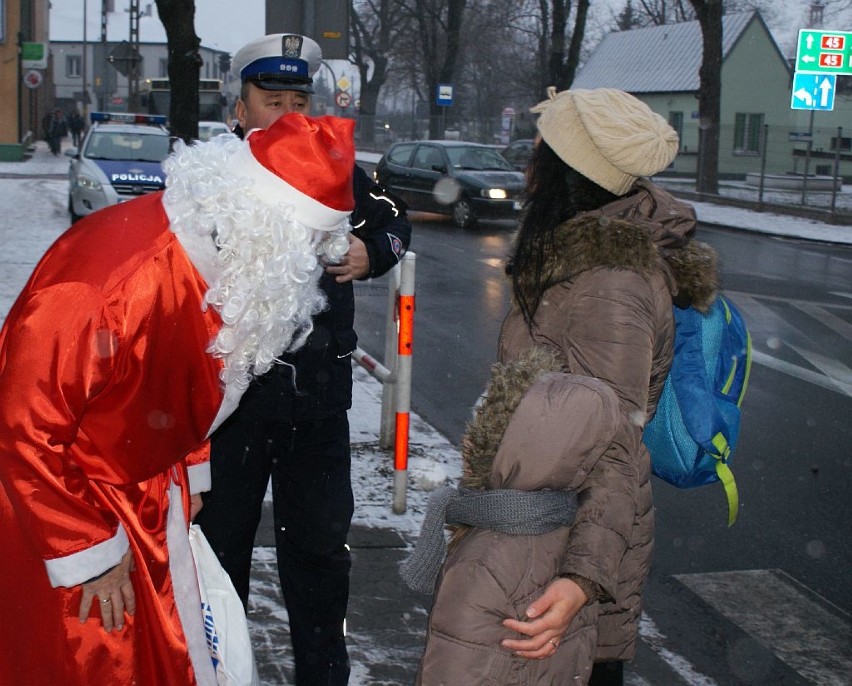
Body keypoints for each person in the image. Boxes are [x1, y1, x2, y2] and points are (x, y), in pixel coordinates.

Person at [0, 112, 357, 685]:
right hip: (63, 507)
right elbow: (20, 428)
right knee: (96, 659)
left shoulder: (214, 262)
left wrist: (188, 473)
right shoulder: (105, 287)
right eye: (307, 243)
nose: (310, 264)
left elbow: (177, 381)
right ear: (266, 226)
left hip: (139, 495)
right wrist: (86, 553)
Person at [405, 87, 719, 685]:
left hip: (561, 552)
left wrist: (581, 582)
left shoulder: (608, 283)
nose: (526, 168)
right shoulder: (577, 257)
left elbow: (618, 446)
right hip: (543, 536)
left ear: (571, 173)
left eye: (539, 153)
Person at [194, 33, 412, 686]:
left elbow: (396, 219)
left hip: (318, 404)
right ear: (238, 109)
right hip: (232, 406)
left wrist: (373, 254)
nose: (288, 111)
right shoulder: (211, 181)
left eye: (298, 98)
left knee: (320, 561)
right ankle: (216, 672)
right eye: (271, 98)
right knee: (217, 557)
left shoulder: (335, 166)